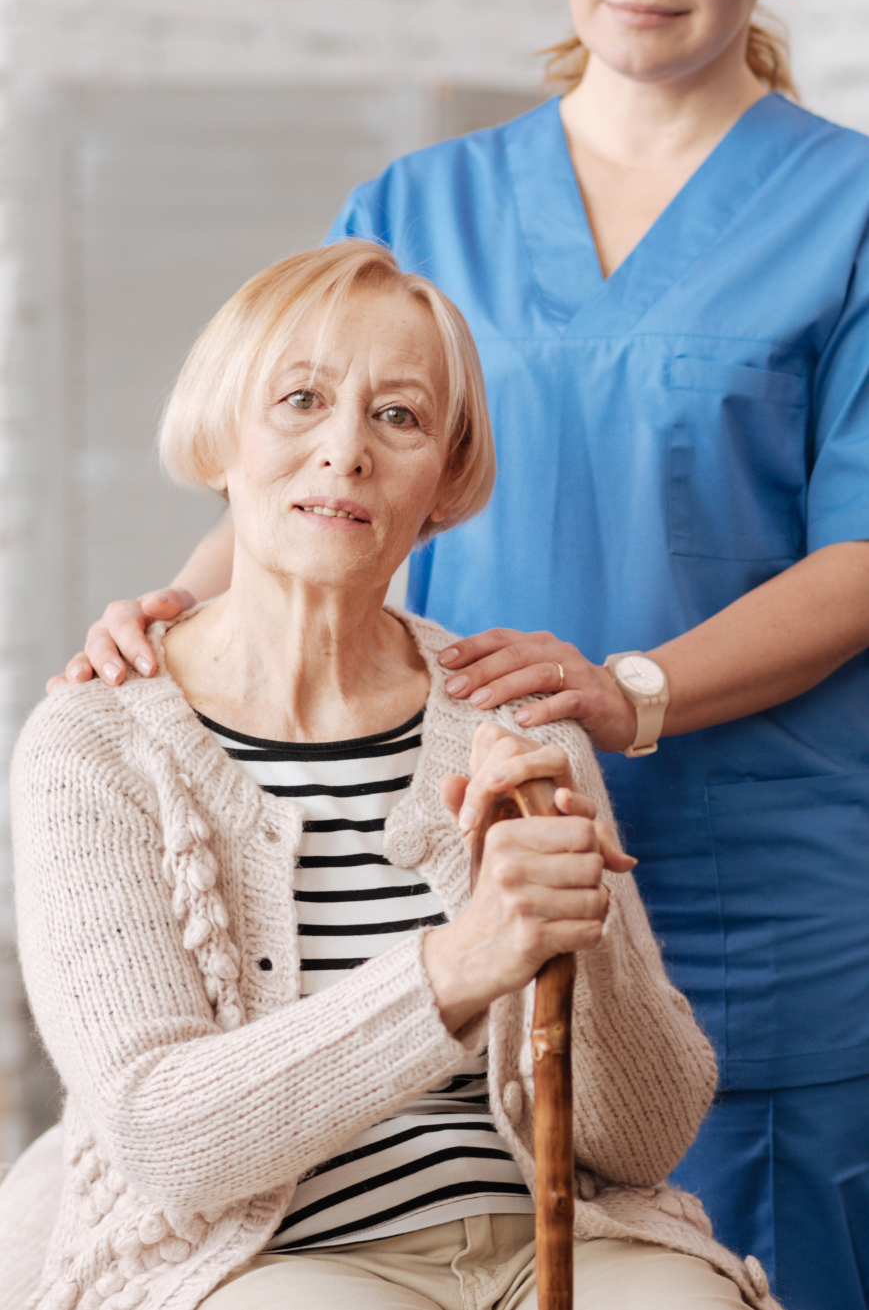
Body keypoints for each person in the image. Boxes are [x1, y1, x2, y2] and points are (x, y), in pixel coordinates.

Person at [52, 0, 869, 1308]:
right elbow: (301, 468)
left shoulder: (850, 210)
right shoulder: (420, 204)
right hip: (443, 835)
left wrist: (625, 694)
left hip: (755, 852)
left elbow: (865, 548)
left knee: (755, 1251)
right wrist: (157, 623)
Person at [3, 239, 772, 1310]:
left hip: (553, 1237)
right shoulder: (94, 744)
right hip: (259, 1258)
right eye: (301, 400)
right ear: (222, 437)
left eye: (397, 417)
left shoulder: (509, 718)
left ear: (447, 483)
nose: (343, 452)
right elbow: (163, 1139)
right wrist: (462, 963)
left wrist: (565, 930)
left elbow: (637, 1142)